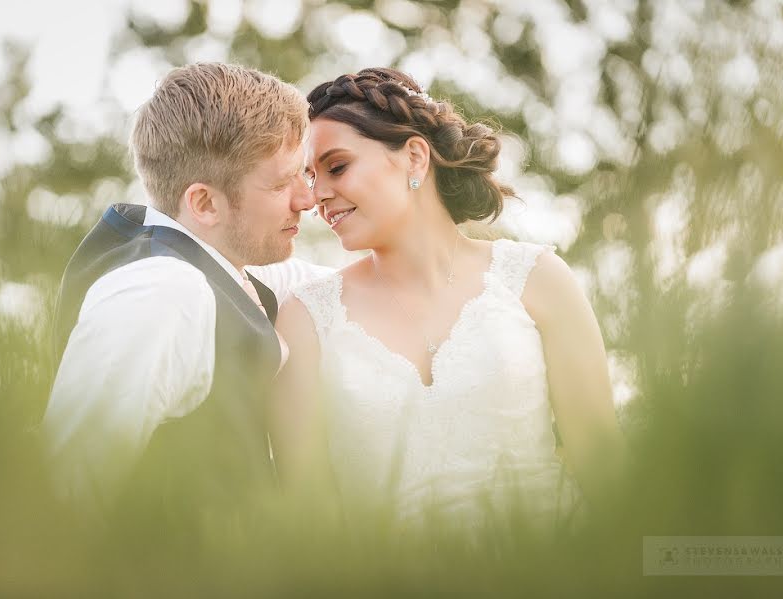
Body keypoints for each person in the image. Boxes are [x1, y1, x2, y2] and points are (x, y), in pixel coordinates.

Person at [271, 68, 623, 530]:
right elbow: (308, 514)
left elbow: (603, 465)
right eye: (311, 177)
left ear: (415, 157)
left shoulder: (536, 279)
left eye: (336, 167)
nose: (317, 195)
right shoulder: (304, 320)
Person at [43, 63, 315, 522]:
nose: (307, 199)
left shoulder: (225, 270)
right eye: (279, 183)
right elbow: (67, 490)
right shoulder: (161, 291)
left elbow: (355, 283)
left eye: (303, 173)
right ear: (204, 203)